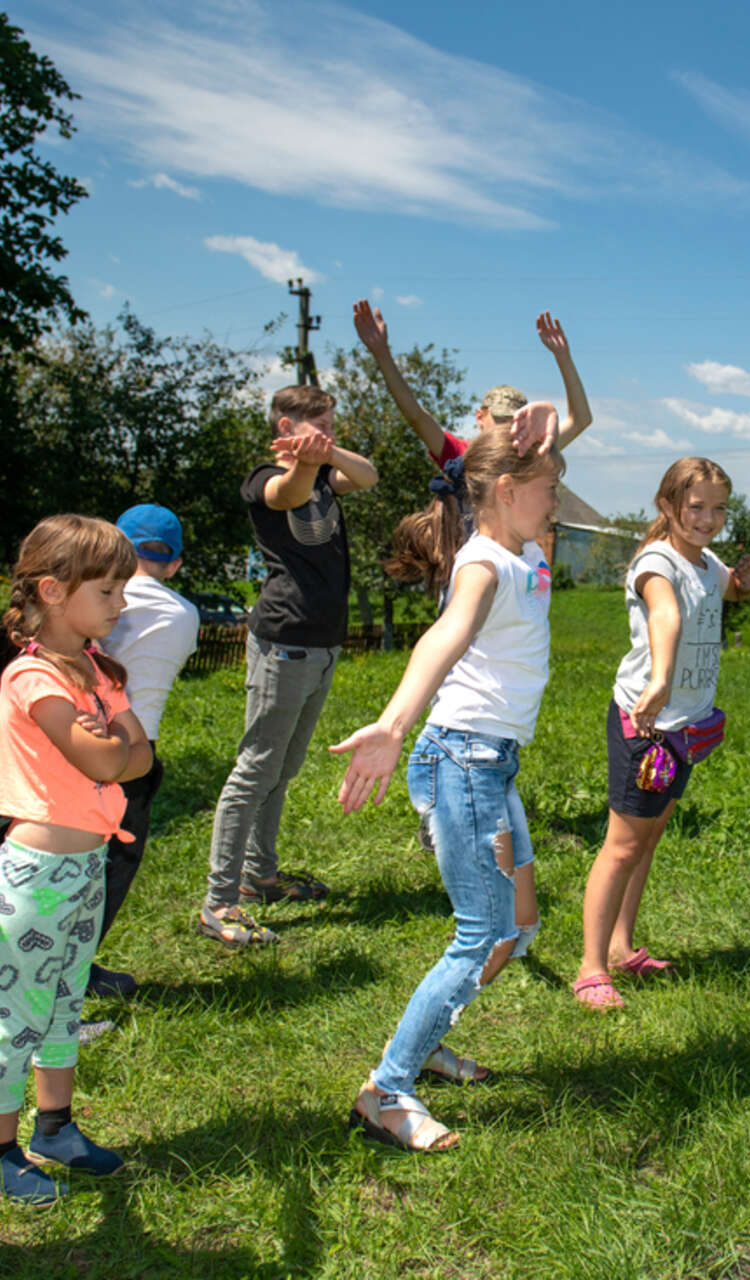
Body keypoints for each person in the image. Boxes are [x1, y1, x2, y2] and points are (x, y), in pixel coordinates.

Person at [330, 412, 561, 1153]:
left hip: (493, 763)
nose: (556, 499)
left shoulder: (517, 548)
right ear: (503, 490)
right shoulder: (485, 564)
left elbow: (556, 438)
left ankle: (427, 1042)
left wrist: (548, 421)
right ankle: (386, 1090)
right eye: (548, 488)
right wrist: (393, 727)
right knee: (483, 932)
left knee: (517, 929)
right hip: (463, 759)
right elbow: (444, 637)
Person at [0, 515, 152, 1205]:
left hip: (85, 870)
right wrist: (112, 746)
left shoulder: (95, 670)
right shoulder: (31, 677)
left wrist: (113, 745)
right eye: (111, 591)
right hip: (36, 880)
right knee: (15, 1017)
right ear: (53, 591)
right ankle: (3, 1147)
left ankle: (55, 1127)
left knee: (62, 1004)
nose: (121, 604)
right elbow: (103, 756)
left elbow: (140, 757)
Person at [574, 458, 750, 1009]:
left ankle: (621, 948)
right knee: (622, 845)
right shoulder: (657, 561)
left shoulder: (703, 560)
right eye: (697, 507)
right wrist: (660, 677)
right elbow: (665, 615)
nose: (709, 518)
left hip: (686, 727)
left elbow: (727, 590)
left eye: (719, 508)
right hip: (648, 723)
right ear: (667, 506)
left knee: (648, 838)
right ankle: (590, 968)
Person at [201, 386, 378, 948]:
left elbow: (368, 477)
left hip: (321, 645)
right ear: (287, 425)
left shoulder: (328, 472)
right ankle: (219, 902)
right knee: (255, 769)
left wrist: (325, 454)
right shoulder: (263, 478)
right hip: (284, 642)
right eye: (320, 424)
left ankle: (261, 877)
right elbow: (286, 494)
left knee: (283, 767)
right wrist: (307, 459)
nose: (331, 432)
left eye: (332, 422)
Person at [89, 505, 199, 1006]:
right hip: (133, 750)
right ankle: (67, 976)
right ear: (173, 564)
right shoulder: (183, 615)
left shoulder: (86, 597)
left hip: (67, 737)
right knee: (115, 863)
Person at [352, 299, 592, 464]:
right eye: (499, 419)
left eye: (513, 421)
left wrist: (563, 357)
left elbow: (581, 419)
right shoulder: (460, 455)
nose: (506, 429)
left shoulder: (531, 455)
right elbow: (416, 416)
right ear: (480, 417)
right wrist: (381, 353)